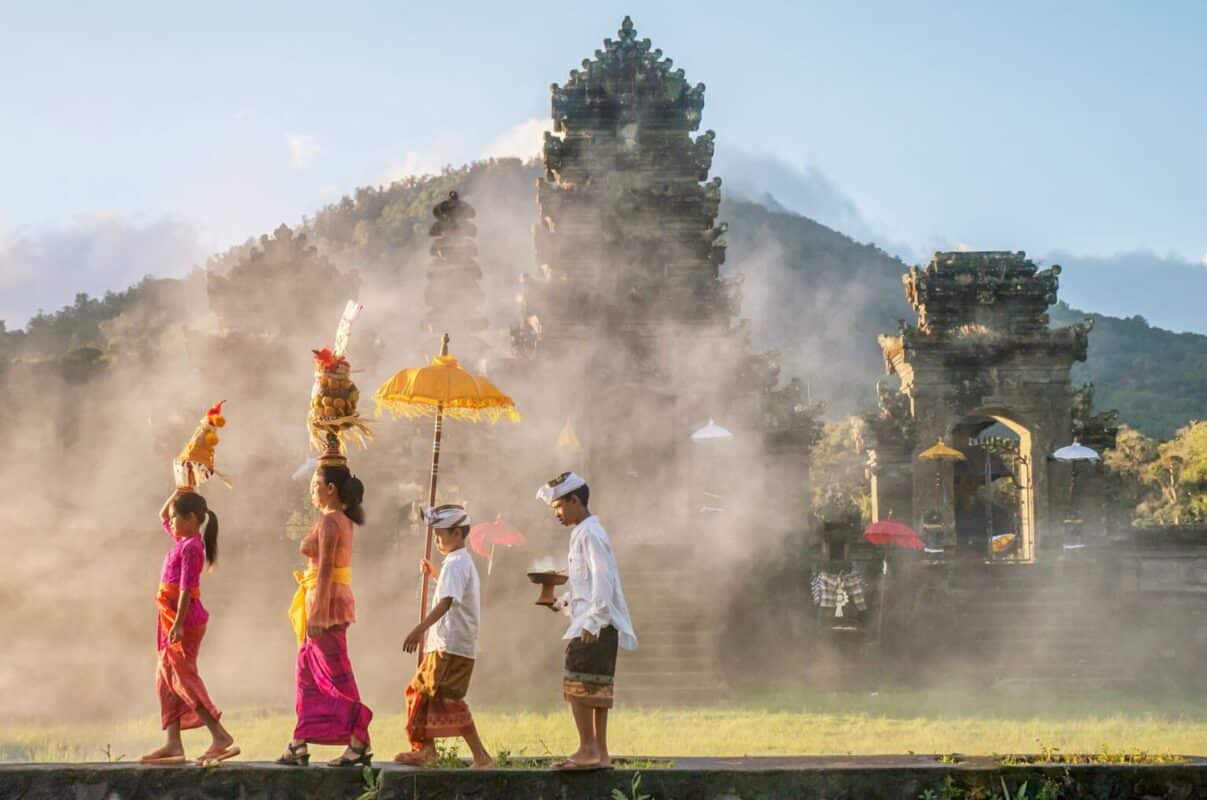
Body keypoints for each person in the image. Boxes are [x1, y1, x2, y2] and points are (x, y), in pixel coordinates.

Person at [536, 472, 637, 770]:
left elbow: (603, 578)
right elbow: (586, 584)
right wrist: (563, 602)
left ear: (575, 500)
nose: (556, 513)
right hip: (593, 620)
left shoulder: (590, 533)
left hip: (595, 625)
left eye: (559, 507)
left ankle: (587, 749)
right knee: (595, 688)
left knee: (578, 683)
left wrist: (594, 621)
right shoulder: (582, 532)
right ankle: (599, 753)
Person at [277, 463, 373, 767]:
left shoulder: (333, 522)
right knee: (306, 674)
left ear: (331, 489)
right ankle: (298, 743)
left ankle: (359, 741)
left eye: (315, 484)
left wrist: (317, 615)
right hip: (321, 601)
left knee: (335, 675)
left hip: (326, 605)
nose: (311, 490)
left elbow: (327, 569)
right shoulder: (335, 520)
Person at [140, 489, 239, 766]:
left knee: (183, 677)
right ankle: (173, 743)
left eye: (175, 518)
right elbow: (161, 515)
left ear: (191, 519)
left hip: (185, 619)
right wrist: (179, 489)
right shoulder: (182, 540)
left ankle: (220, 735)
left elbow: (186, 590)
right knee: (165, 678)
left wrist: (180, 624)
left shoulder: (193, 547)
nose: (169, 522)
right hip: (169, 617)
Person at [395, 504, 494, 768]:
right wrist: (435, 574)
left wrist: (419, 629)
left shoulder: (457, 563)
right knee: (421, 692)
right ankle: (427, 750)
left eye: (441, 534)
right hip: (444, 644)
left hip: (450, 645)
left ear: (458, 535)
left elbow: (447, 602)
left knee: (448, 699)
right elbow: (451, 591)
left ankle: (481, 757)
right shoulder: (456, 563)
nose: (437, 539)